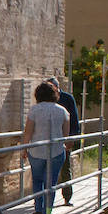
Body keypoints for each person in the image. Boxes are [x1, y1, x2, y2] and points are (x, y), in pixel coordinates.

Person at [22, 81, 70, 214]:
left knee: (37, 180)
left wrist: (24, 149)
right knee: (51, 183)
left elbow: (28, 132)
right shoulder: (63, 111)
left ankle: (38, 208)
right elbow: (65, 134)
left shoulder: (34, 110)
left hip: (36, 150)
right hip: (56, 151)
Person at [48, 77, 80, 205]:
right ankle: (46, 202)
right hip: (48, 140)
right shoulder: (45, 99)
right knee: (48, 171)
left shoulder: (67, 98)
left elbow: (74, 119)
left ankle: (67, 197)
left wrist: (71, 137)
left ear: (57, 87)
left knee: (65, 168)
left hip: (63, 139)